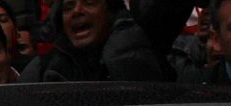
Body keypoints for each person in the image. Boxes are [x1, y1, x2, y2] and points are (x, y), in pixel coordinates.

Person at [19, 0, 165, 82]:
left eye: (89, 2)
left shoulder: (141, 52)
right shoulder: (42, 69)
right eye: (68, 7)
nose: (77, 11)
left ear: (110, 13)